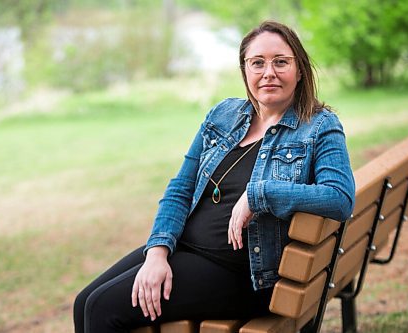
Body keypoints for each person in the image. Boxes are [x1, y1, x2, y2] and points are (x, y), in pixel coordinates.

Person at [74, 20, 355, 333]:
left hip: (241, 273)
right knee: (84, 301)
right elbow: (180, 188)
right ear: (244, 70)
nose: (268, 73)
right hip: (187, 249)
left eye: (281, 62)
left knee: (103, 310)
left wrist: (259, 195)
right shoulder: (224, 114)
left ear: (300, 70)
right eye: (257, 63)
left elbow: (339, 197)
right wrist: (157, 252)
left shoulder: (319, 127)